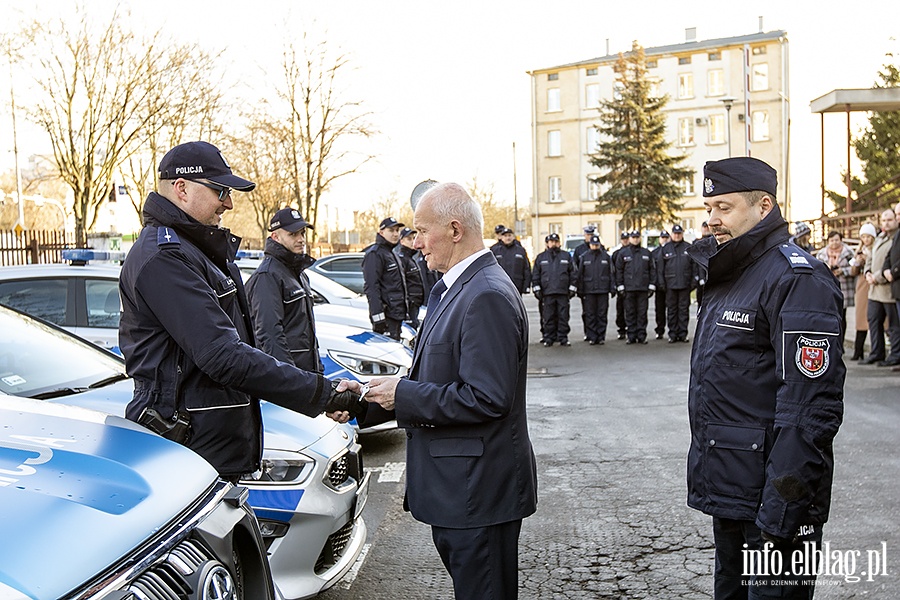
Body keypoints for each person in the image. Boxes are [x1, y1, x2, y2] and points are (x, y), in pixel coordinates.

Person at [118, 141, 365, 481]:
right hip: (189, 454)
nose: (228, 203)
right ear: (181, 189)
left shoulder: (198, 252)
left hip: (210, 448)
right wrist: (321, 394)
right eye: (220, 190)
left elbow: (243, 351)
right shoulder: (166, 257)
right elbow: (224, 356)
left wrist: (319, 391)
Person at [359, 182, 538, 600]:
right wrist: (366, 396)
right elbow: (438, 378)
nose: (416, 243)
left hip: (478, 494)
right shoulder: (457, 288)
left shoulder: (486, 294)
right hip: (461, 493)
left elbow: (487, 397)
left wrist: (402, 395)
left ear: (455, 230)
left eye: (423, 231)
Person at [686, 156, 845, 599]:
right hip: (735, 493)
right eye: (709, 207)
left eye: (724, 207)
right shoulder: (732, 273)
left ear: (764, 206)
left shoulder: (797, 279)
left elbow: (811, 408)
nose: (712, 219)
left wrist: (784, 507)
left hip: (776, 504)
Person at [246, 207, 323, 373]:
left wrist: (318, 370)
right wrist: (290, 380)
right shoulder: (267, 275)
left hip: (307, 377)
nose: (301, 239)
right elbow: (269, 334)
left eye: (302, 233)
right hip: (290, 382)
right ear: (276, 237)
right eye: (293, 234)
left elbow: (306, 332)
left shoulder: (299, 275)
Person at [861, 208, 900, 367]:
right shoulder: (880, 238)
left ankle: (895, 354)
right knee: (873, 321)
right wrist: (868, 273)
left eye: (890, 219)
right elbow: (870, 258)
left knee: (893, 325)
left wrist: (878, 277)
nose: (886, 223)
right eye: (884, 220)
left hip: (888, 290)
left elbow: (891, 261)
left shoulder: (895, 238)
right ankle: (877, 352)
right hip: (874, 291)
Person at [363, 217, 409, 340]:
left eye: (397, 230)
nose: (395, 234)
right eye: (391, 230)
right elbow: (372, 287)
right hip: (387, 318)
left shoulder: (391, 253)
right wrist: (378, 319)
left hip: (396, 316)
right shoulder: (375, 254)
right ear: (381, 232)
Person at [532, 232, 577, 346]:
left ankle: (563, 337)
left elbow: (573, 273)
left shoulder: (566, 256)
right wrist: (536, 289)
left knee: (563, 316)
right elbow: (536, 274)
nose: (554, 244)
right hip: (547, 292)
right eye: (551, 242)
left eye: (556, 242)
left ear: (559, 243)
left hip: (562, 292)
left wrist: (572, 288)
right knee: (548, 316)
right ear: (547, 243)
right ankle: (549, 338)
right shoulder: (541, 257)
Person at [614, 230, 656, 344]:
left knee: (642, 313)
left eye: (637, 237)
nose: (635, 239)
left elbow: (652, 270)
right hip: (629, 289)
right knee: (630, 313)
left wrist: (652, 285)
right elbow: (619, 271)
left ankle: (641, 335)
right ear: (630, 238)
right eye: (633, 237)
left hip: (643, 288)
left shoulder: (646, 253)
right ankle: (631, 335)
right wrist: (620, 286)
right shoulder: (623, 253)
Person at [815, 230, 856, 341]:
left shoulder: (848, 252)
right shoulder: (822, 253)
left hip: (844, 288)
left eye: (837, 240)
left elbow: (855, 268)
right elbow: (816, 270)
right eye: (832, 240)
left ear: (841, 240)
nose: (834, 243)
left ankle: (841, 342)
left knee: (842, 317)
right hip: (826, 288)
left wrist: (843, 271)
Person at [576, 234, 614, 344]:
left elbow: (611, 273)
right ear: (590, 245)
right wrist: (580, 290)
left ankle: (601, 336)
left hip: (602, 290)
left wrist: (612, 288)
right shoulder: (584, 257)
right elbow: (580, 275)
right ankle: (592, 336)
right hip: (589, 291)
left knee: (602, 314)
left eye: (597, 245)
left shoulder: (606, 257)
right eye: (593, 245)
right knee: (590, 314)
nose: (595, 247)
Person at [660, 224, 694, 343]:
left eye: (679, 233)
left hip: (685, 285)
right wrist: (662, 283)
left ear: (682, 234)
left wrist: (693, 283)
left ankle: (683, 333)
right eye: (675, 233)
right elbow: (661, 268)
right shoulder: (666, 248)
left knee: (684, 310)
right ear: (672, 234)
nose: (677, 235)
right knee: (672, 310)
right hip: (670, 286)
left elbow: (694, 266)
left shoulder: (688, 248)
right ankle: (673, 334)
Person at [848, 223, 877, 360]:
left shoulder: (875, 249)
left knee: (876, 318)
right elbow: (852, 271)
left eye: (868, 236)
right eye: (863, 236)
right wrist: (858, 262)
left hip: (875, 282)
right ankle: (858, 351)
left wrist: (869, 259)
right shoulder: (860, 250)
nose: (866, 239)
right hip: (861, 284)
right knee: (860, 318)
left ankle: (877, 350)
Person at [395, 226, 425, 328]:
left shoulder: (410, 258)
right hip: (410, 305)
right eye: (409, 239)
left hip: (415, 304)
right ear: (402, 241)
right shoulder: (402, 259)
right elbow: (401, 283)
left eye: (413, 238)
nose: (412, 241)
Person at [490, 226, 532, 294]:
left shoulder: (520, 250)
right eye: (505, 236)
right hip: (500, 286)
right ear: (502, 237)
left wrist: (526, 285)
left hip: (517, 286)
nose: (508, 238)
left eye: (509, 235)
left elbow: (526, 269)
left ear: (513, 237)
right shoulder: (495, 251)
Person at [886, 211, 900, 371]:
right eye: (897, 214)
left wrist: (893, 272)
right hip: (896, 289)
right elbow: (889, 257)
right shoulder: (896, 236)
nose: (898, 217)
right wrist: (885, 270)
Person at [611, 231, 630, 339]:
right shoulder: (616, 254)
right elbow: (614, 271)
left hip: (631, 286)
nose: (625, 241)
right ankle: (621, 329)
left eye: (627, 238)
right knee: (621, 309)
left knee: (632, 310)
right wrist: (616, 285)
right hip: (621, 286)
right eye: (623, 239)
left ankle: (631, 328)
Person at [651, 230, 670, 339]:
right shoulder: (654, 252)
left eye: (666, 237)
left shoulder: (671, 250)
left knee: (672, 309)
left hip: (670, 284)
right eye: (663, 237)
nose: (664, 239)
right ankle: (660, 329)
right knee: (660, 309)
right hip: (659, 285)